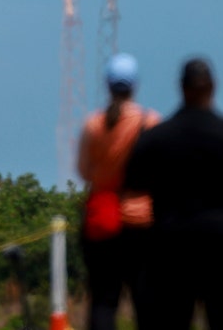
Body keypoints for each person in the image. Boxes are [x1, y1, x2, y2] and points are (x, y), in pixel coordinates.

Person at [124, 57, 223, 330]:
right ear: (214, 87)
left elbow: (133, 181)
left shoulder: (157, 138)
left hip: (173, 246)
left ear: (181, 88)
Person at [77, 53, 161, 330]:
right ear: (135, 86)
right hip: (142, 222)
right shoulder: (150, 123)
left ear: (108, 85)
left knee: (103, 302)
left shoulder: (94, 125)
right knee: (147, 302)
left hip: (103, 223)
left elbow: (83, 171)